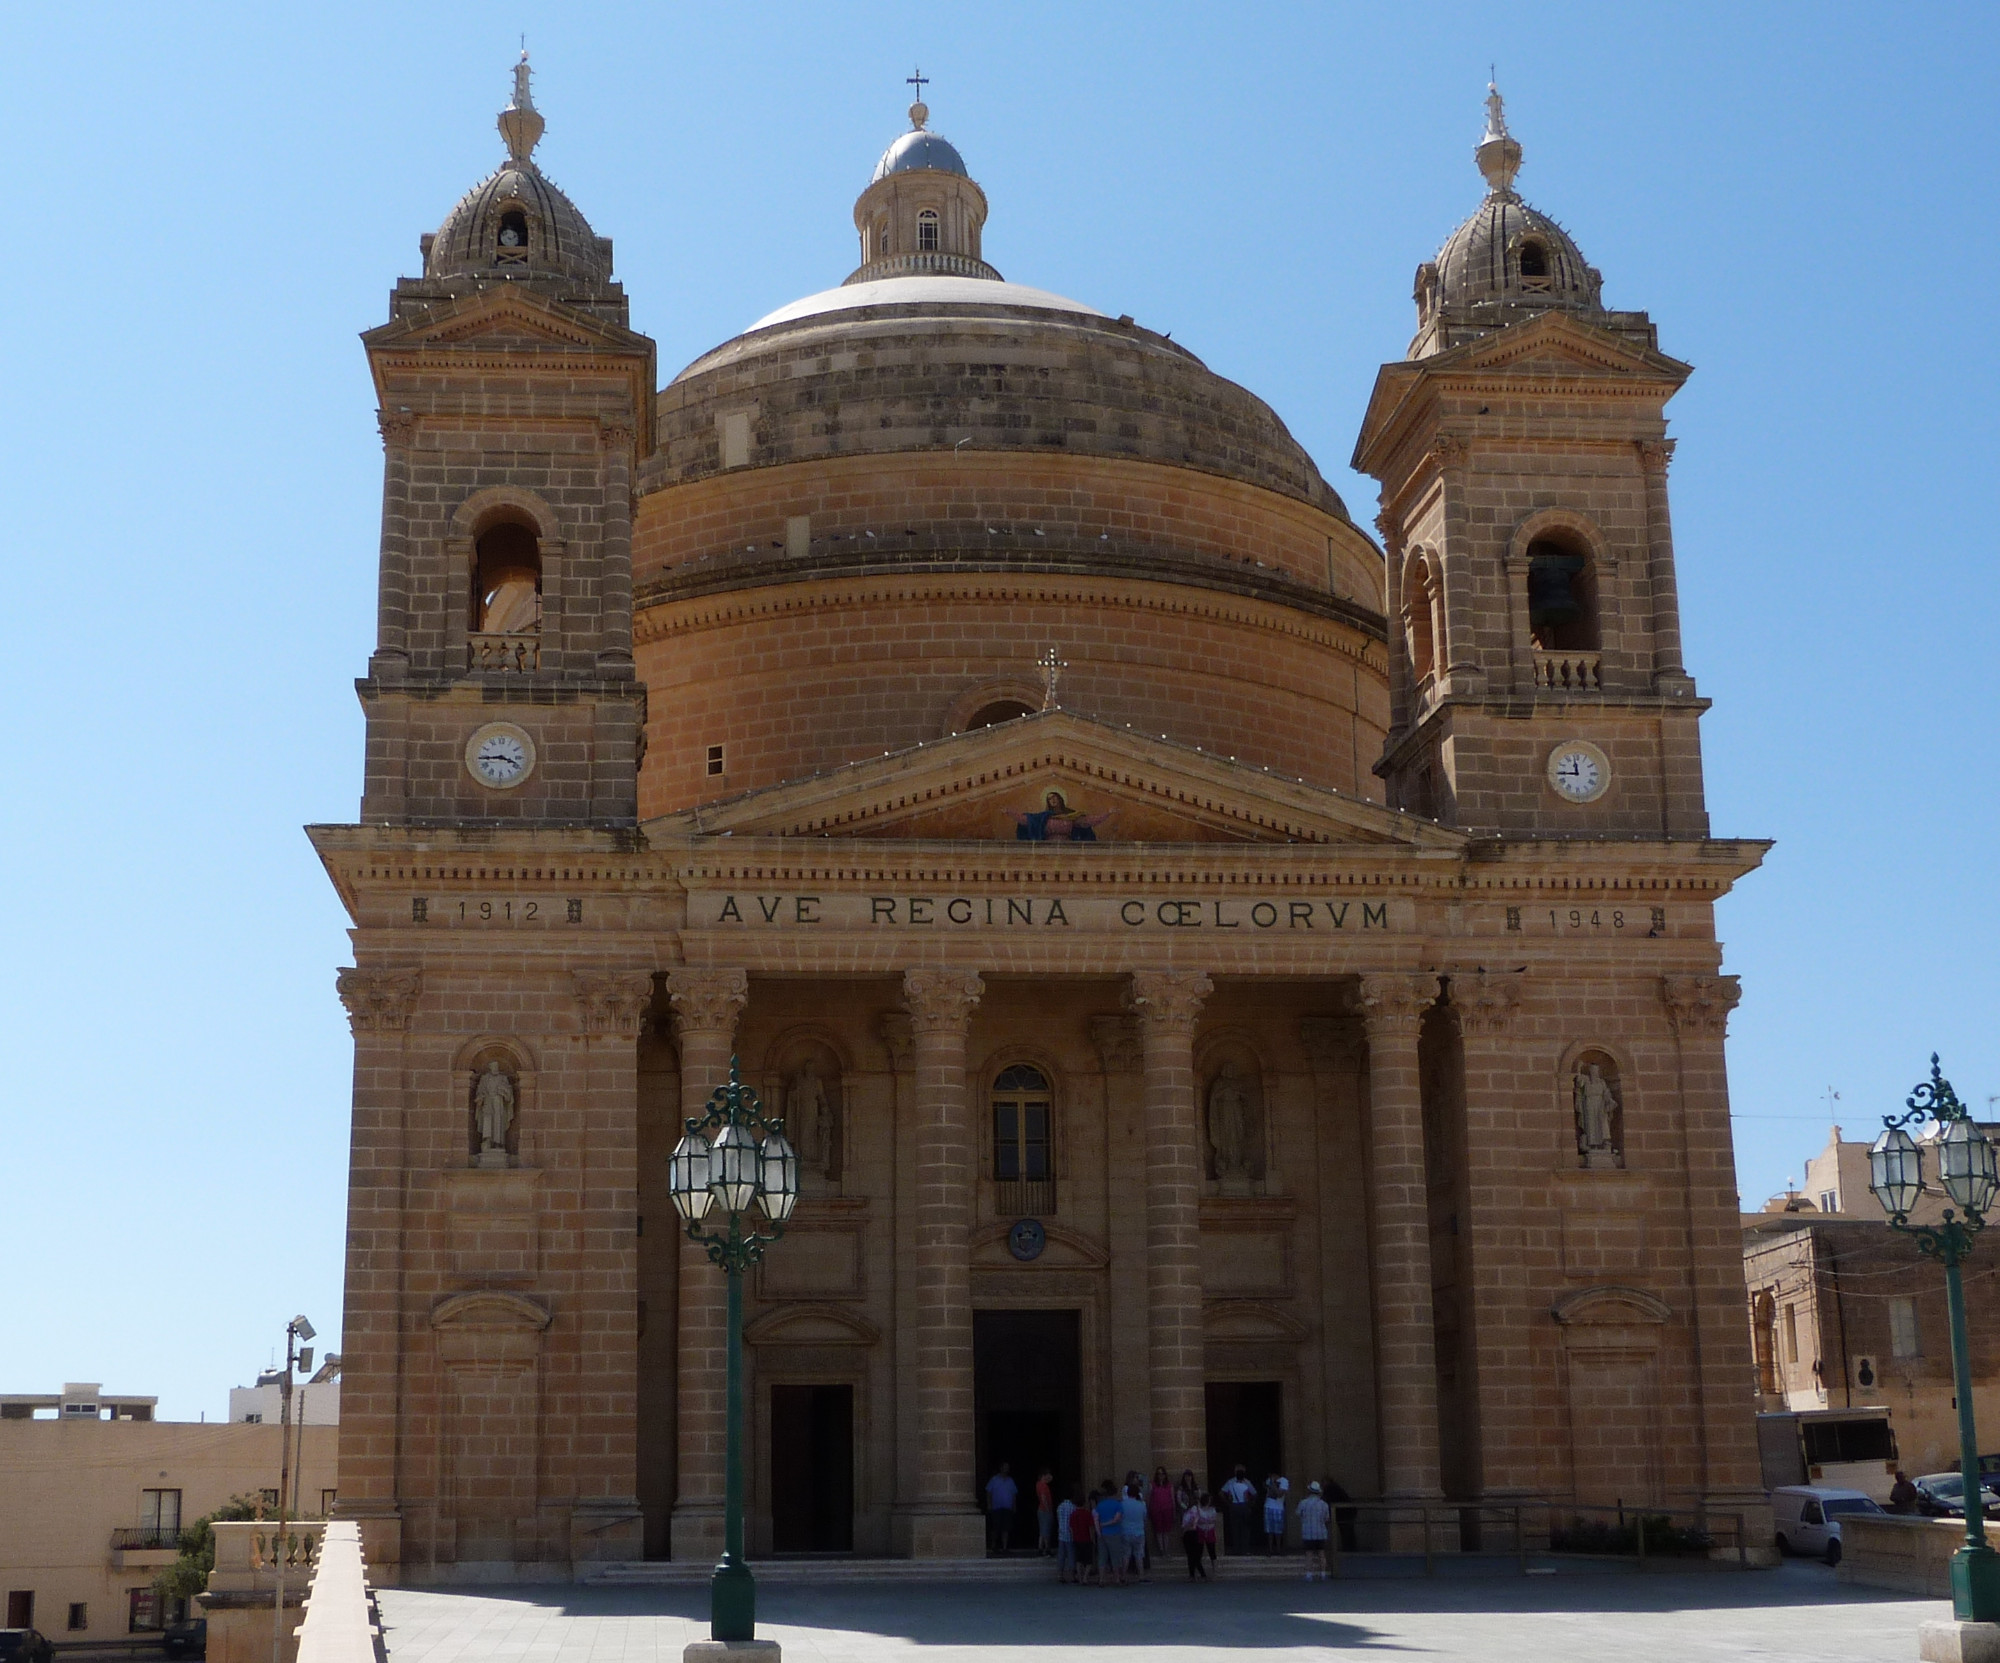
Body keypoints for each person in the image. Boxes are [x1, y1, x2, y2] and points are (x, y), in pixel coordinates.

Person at [1297, 1480, 1331, 1581]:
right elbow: (1327, 1519)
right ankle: (1323, 1574)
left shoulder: (1303, 1503)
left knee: (1309, 1554)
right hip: (1320, 1532)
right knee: (1321, 1554)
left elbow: (1298, 1513)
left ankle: (1309, 1575)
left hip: (1308, 1532)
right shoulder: (1324, 1504)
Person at [1095, 1481, 1127, 1585]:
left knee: (1102, 1557)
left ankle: (1101, 1579)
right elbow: (1116, 1519)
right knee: (1115, 1557)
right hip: (1114, 1533)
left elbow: (1096, 1519)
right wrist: (1105, 1524)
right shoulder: (1118, 1505)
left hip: (1102, 1534)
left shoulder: (1099, 1505)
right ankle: (1117, 1579)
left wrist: (1099, 1532)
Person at [1221, 1465, 1257, 1554]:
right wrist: (1250, 1504)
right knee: (1245, 1529)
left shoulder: (1231, 1484)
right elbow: (1252, 1494)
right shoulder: (1245, 1484)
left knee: (1235, 1528)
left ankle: (1236, 1549)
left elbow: (1227, 1495)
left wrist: (1229, 1503)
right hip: (1244, 1506)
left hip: (1234, 1506)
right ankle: (1245, 1549)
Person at [985, 1462, 1018, 1555]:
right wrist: (989, 1505)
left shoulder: (1010, 1480)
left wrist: (1014, 1506)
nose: (1006, 1469)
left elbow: (1014, 1494)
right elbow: (988, 1492)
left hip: (1007, 1507)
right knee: (995, 1528)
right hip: (996, 1507)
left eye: (1008, 1467)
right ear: (1001, 1468)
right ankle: (993, 1545)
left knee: (1006, 1528)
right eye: (1005, 1467)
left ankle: (1004, 1547)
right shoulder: (994, 1479)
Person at [1323, 1477, 1359, 1554]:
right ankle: (1350, 1549)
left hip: (1343, 1513)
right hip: (1346, 1513)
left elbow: (1328, 1501)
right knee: (1348, 1531)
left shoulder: (1330, 1489)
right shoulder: (1336, 1489)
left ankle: (1348, 1549)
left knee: (1346, 1531)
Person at [1121, 1480, 1149, 1582]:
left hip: (1125, 1531)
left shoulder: (1122, 1504)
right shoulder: (1141, 1505)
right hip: (1139, 1532)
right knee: (1139, 1555)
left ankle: (1123, 1575)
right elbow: (1145, 1518)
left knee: (1126, 1555)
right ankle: (1141, 1576)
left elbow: (1119, 1517)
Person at [1149, 1466, 1179, 1559]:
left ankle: (1166, 1550)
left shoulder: (1169, 1485)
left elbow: (1173, 1499)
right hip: (1156, 1510)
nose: (1160, 1476)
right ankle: (1162, 1551)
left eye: (1162, 1474)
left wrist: (1174, 1512)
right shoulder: (1152, 1485)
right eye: (1159, 1474)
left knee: (1166, 1532)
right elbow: (1149, 1498)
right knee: (1159, 1531)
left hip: (1167, 1510)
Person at [1180, 1491, 1210, 1580]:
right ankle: (1199, 1575)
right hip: (1193, 1533)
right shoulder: (1195, 1510)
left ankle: (1195, 1575)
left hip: (1192, 1533)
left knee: (1193, 1555)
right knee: (1194, 1555)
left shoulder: (1194, 1510)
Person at [1072, 1486, 1097, 1585]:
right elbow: (1091, 1528)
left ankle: (1080, 1577)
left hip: (1077, 1539)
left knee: (1079, 1559)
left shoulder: (1073, 1514)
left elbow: (1071, 1528)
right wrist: (1092, 1539)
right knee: (1089, 1560)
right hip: (1086, 1539)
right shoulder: (1087, 1514)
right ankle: (1086, 1577)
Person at [1056, 1486, 1078, 1582]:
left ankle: (1060, 1575)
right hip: (1070, 1534)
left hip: (1061, 1533)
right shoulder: (1073, 1507)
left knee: (1061, 1555)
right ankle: (1071, 1575)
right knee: (1071, 1555)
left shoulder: (1059, 1507)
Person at [1263, 1474, 1287, 1554]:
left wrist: (1272, 1484)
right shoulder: (1268, 1480)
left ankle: (1278, 1548)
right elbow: (1267, 1490)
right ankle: (1270, 1549)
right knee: (1269, 1529)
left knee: (1278, 1530)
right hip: (1268, 1506)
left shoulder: (1284, 1481)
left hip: (1278, 1508)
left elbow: (1279, 1494)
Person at [1036, 1468, 1057, 1556]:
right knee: (1046, 1530)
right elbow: (1044, 1497)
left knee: (1042, 1530)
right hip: (1045, 1510)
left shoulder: (1038, 1484)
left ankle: (1040, 1548)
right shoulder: (1044, 1486)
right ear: (1044, 1476)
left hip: (1041, 1509)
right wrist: (1048, 1509)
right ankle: (1047, 1548)